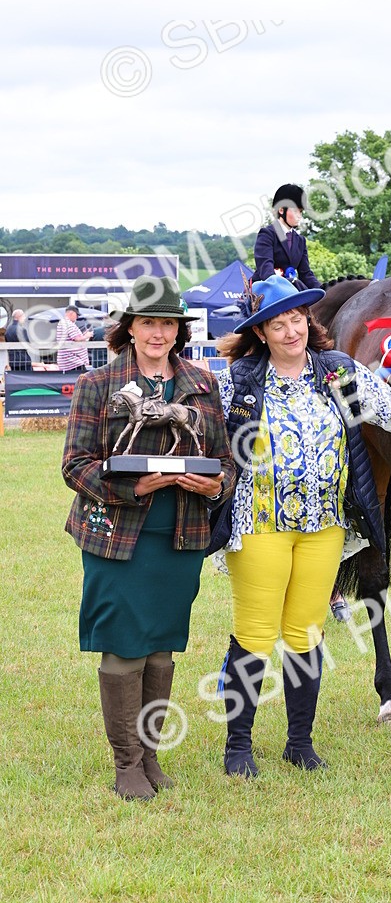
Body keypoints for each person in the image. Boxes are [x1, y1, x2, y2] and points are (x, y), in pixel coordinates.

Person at [213, 274, 391, 777]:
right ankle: (238, 747)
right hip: (261, 523)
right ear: (261, 332)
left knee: (306, 631)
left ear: (308, 323)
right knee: (255, 631)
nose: (290, 331)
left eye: (297, 319)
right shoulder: (241, 381)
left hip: (324, 526)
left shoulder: (336, 372)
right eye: (277, 323)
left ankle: (299, 743)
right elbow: (203, 424)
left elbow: (387, 406)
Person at [62, 275, 236, 801]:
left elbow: (224, 460)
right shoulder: (98, 384)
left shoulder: (203, 383)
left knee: (161, 648)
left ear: (178, 331)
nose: (157, 333)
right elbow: (75, 466)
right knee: (123, 648)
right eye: (148, 323)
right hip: (117, 537)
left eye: (167, 324)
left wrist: (214, 482)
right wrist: (134, 486)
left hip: (179, 537)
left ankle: (152, 755)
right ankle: (126, 764)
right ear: (131, 328)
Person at [253, 183, 323, 290]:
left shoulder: (300, 241)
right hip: (266, 289)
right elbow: (266, 269)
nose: (299, 216)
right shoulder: (267, 234)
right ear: (281, 210)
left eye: (300, 211)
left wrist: (324, 290)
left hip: (290, 289)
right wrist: (288, 285)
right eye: (295, 211)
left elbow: (306, 274)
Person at [56, 305, 92, 373]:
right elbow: (77, 339)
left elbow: (73, 338)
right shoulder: (68, 323)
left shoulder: (64, 323)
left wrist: (83, 336)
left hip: (70, 361)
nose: (77, 317)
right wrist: (87, 336)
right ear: (71, 313)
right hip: (73, 362)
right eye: (77, 315)